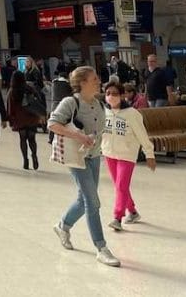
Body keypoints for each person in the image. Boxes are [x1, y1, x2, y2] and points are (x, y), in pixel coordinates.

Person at [48, 66, 119, 267]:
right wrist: (79, 136)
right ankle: (101, 248)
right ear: (83, 82)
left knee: (84, 199)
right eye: (94, 78)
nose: (98, 81)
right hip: (77, 158)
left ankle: (63, 225)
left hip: (94, 156)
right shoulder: (70, 102)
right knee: (93, 202)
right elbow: (52, 124)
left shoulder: (98, 104)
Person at [102, 81, 155, 231]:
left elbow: (142, 135)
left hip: (127, 155)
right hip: (109, 153)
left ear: (122, 95)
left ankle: (117, 217)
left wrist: (149, 154)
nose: (111, 96)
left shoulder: (132, 114)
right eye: (108, 93)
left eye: (115, 93)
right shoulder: (103, 112)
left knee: (120, 185)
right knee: (120, 186)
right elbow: (99, 132)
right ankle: (132, 211)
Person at [6, 70, 41, 170]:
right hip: (31, 118)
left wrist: (10, 119)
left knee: (23, 140)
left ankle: (25, 160)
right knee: (32, 139)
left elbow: (9, 107)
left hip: (19, 119)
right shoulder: (30, 88)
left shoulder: (12, 91)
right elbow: (38, 101)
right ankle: (34, 155)